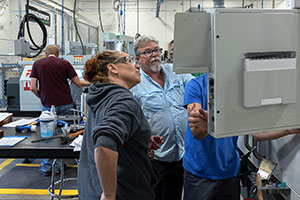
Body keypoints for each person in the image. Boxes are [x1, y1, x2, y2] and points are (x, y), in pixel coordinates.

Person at [183, 73, 300, 200]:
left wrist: (289, 130)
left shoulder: (237, 92)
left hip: (229, 172)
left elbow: (257, 133)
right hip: (200, 174)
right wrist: (206, 125)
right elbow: (197, 133)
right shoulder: (196, 86)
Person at [78, 50, 163, 200]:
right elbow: (104, 144)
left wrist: (139, 141)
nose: (136, 66)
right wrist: (109, 194)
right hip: (125, 192)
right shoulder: (124, 101)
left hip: (91, 190)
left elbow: (110, 135)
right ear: (113, 68)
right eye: (128, 60)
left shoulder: (100, 95)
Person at [131, 35, 194, 200]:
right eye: (148, 52)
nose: (154, 54)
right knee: (156, 195)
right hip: (155, 156)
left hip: (183, 152)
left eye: (156, 50)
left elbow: (196, 87)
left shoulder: (176, 72)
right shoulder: (135, 84)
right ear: (137, 59)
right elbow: (132, 118)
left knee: (176, 194)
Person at [30, 44, 90, 176]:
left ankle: (47, 166)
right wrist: (96, 82)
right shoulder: (65, 63)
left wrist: (42, 97)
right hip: (65, 103)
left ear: (45, 54)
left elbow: (32, 87)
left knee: (48, 135)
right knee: (65, 133)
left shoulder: (37, 64)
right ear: (58, 53)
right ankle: (59, 165)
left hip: (47, 105)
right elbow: (79, 83)